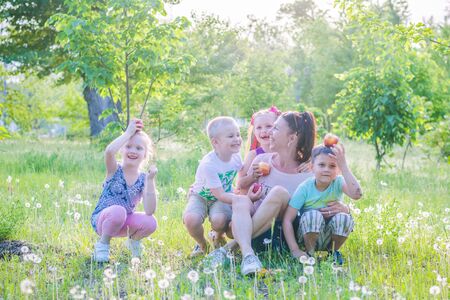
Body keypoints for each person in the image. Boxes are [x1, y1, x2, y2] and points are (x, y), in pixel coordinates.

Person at [207, 111, 349, 275]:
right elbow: (242, 192)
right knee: (241, 200)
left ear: (291, 138)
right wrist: (248, 197)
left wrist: (345, 209)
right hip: (257, 235)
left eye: (275, 129)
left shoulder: (309, 171)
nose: (269, 133)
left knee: (279, 193)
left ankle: (228, 249)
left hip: (280, 238)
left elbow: (331, 195)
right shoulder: (261, 161)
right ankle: (247, 255)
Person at [283, 143, 362, 264]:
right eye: (321, 165)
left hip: (330, 233)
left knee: (344, 218)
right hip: (307, 234)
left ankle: (332, 253)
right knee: (313, 216)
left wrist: (344, 166)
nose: (326, 169)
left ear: (338, 169)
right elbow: (287, 220)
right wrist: (295, 250)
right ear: (312, 167)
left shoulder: (338, 182)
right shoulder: (305, 188)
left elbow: (357, 194)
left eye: (332, 166)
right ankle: (310, 253)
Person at [91, 119, 158, 263]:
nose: (133, 151)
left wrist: (150, 181)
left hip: (124, 223)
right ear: (122, 149)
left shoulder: (143, 178)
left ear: (145, 154)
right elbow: (109, 151)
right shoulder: (115, 169)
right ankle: (103, 244)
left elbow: (149, 210)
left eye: (139, 148)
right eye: (128, 146)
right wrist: (128, 133)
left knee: (151, 222)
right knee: (118, 211)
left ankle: (133, 241)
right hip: (103, 220)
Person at [183, 116, 242, 257]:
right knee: (191, 219)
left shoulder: (236, 156)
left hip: (222, 195)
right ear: (215, 142)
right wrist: (241, 199)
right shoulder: (209, 164)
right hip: (201, 195)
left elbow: (243, 174)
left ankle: (218, 234)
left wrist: (254, 174)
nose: (237, 139)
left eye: (238, 134)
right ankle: (202, 244)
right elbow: (220, 195)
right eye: (231, 136)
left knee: (220, 220)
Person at [237, 106, 281, 194]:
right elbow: (240, 184)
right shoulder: (253, 155)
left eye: (269, 126)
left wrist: (306, 164)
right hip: (256, 198)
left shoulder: (283, 152)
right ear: (254, 131)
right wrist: (253, 176)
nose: (264, 130)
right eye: (259, 127)